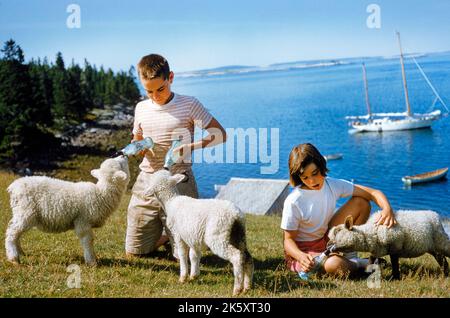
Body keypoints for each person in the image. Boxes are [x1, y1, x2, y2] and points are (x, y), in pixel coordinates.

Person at [125, 54, 227, 258]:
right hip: (147, 180)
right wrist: (138, 147)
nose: (155, 96)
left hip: (179, 180)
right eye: (149, 91)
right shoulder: (141, 108)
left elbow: (220, 135)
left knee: (184, 255)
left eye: (160, 89)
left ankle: (177, 237)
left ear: (170, 77)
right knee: (135, 252)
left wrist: (190, 146)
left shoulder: (189, 104)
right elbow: (137, 140)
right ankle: (166, 236)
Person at [281, 143, 397, 277]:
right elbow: (288, 241)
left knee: (361, 203)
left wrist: (387, 209)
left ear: (321, 166)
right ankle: (359, 264)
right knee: (333, 265)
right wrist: (300, 256)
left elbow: (372, 193)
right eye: (305, 177)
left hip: (326, 238)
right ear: (298, 177)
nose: (312, 181)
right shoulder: (294, 201)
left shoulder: (332, 184)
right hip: (303, 253)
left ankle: (351, 256)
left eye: (315, 173)